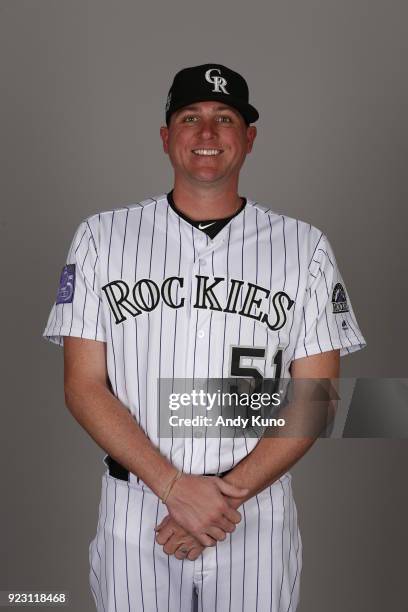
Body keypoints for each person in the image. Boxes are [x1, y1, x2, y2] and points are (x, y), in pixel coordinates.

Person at [43, 63, 367, 611]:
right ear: (167, 137)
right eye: (190, 117)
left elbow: (317, 399)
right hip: (137, 509)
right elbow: (83, 385)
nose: (208, 133)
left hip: (253, 512)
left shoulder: (304, 247)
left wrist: (217, 501)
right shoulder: (101, 238)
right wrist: (174, 488)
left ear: (249, 138)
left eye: (225, 118)